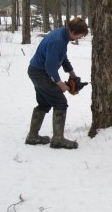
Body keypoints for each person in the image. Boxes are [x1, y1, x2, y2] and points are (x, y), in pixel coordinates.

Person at [25, 17, 89, 150]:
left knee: (44, 103)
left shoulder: (63, 35)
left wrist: (71, 73)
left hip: (38, 71)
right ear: (73, 31)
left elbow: (62, 57)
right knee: (60, 102)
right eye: (80, 35)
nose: (80, 38)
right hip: (40, 73)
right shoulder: (58, 40)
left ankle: (32, 136)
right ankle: (58, 139)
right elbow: (50, 67)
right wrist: (60, 84)